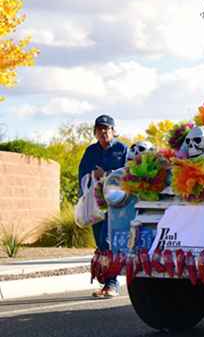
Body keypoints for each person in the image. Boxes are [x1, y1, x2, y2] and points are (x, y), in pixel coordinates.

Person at [78, 114, 127, 298]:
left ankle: (111, 284)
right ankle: (106, 282)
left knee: (107, 242)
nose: (103, 132)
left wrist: (106, 173)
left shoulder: (122, 149)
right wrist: (91, 178)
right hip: (96, 206)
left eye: (106, 128)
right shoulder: (91, 151)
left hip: (116, 207)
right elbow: (82, 174)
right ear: (95, 132)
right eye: (99, 129)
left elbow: (129, 174)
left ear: (113, 131)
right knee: (100, 243)